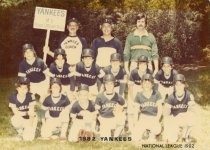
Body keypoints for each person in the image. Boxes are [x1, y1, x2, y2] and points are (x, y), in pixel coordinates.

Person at [163, 74, 197, 142]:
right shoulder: (171, 97)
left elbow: (192, 110)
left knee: (192, 117)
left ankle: (186, 136)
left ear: (184, 85)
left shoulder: (188, 95)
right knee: (171, 140)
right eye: (177, 84)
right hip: (174, 119)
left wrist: (186, 114)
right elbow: (166, 114)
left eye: (181, 84)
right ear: (174, 86)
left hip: (184, 117)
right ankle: (177, 132)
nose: (179, 86)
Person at [132, 74, 163, 142]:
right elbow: (136, 111)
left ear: (152, 85)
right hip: (143, 117)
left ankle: (151, 134)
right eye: (145, 83)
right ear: (141, 84)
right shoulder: (139, 95)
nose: (147, 85)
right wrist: (136, 122)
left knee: (157, 129)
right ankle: (145, 132)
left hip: (153, 117)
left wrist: (156, 120)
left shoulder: (157, 94)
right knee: (135, 138)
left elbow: (160, 110)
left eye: (149, 83)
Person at [127, 55, 153, 132]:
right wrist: (133, 99)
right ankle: (131, 127)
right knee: (131, 108)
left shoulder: (149, 72)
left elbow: (151, 86)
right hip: (135, 87)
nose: (142, 66)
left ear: (147, 64)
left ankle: (146, 127)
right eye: (140, 64)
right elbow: (130, 87)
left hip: (145, 88)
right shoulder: (134, 72)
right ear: (138, 64)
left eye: (144, 64)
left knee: (146, 107)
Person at [9, 77, 37, 141]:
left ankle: (31, 130)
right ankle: (20, 132)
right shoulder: (13, 97)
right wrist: (26, 113)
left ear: (28, 89)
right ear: (17, 88)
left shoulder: (31, 96)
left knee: (28, 139)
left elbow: (32, 114)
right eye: (21, 88)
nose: (23, 90)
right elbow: (16, 113)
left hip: (30, 119)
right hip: (20, 118)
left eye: (25, 88)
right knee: (14, 119)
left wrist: (30, 126)